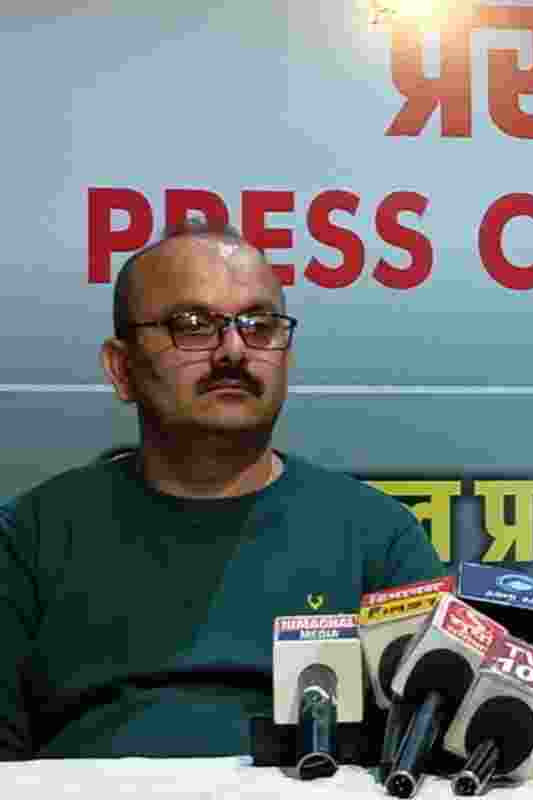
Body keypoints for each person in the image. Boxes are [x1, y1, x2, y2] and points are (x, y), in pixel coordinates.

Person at [0, 222, 445, 760]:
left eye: (260, 326)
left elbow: (435, 746)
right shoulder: (30, 537)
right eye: (193, 326)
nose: (233, 351)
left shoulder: (377, 536)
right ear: (122, 368)